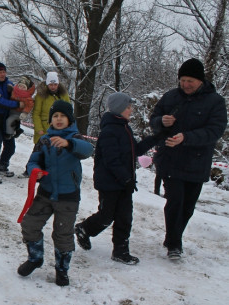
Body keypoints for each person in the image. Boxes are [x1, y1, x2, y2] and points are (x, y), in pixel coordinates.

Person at [149, 58, 227, 260]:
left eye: (190, 80)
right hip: (170, 159)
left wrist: (186, 137)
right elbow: (154, 118)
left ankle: (172, 236)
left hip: (197, 162)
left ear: (200, 80)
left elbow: (215, 130)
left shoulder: (215, 102)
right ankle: (175, 245)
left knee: (188, 206)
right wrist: (161, 122)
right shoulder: (171, 97)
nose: (185, 84)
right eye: (182, 80)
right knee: (174, 201)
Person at [74, 92, 162, 265]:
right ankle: (84, 229)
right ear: (119, 109)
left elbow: (134, 151)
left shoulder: (124, 128)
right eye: (128, 107)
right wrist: (125, 178)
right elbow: (111, 160)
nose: (131, 110)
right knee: (107, 215)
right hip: (109, 183)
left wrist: (155, 138)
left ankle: (121, 251)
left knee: (124, 217)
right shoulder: (110, 131)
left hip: (123, 182)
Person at [18, 100, 93, 287]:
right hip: (46, 193)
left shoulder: (76, 138)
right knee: (29, 224)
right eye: (55, 116)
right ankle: (35, 258)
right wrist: (36, 171)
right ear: (51, 120)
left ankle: (62, 270)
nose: (59, 119)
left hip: (68, 197)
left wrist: (69, 143)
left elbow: (88, 150)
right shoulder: (44, 140)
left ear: (69, 119)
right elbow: (33, 161)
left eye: (63, 116)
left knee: (63, 235)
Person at [19, 72, 71, 179]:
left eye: (55, 84)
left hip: (60, 127)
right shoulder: (41, 95)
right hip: (44, 128)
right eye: (51, 84)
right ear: (47, 84)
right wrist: (38, 128)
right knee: (38, 150)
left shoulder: (63, 95)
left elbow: (69, 110)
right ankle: (30, 170)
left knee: (57, 149)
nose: (53, 86)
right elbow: (36, 113)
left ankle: (54, 171)